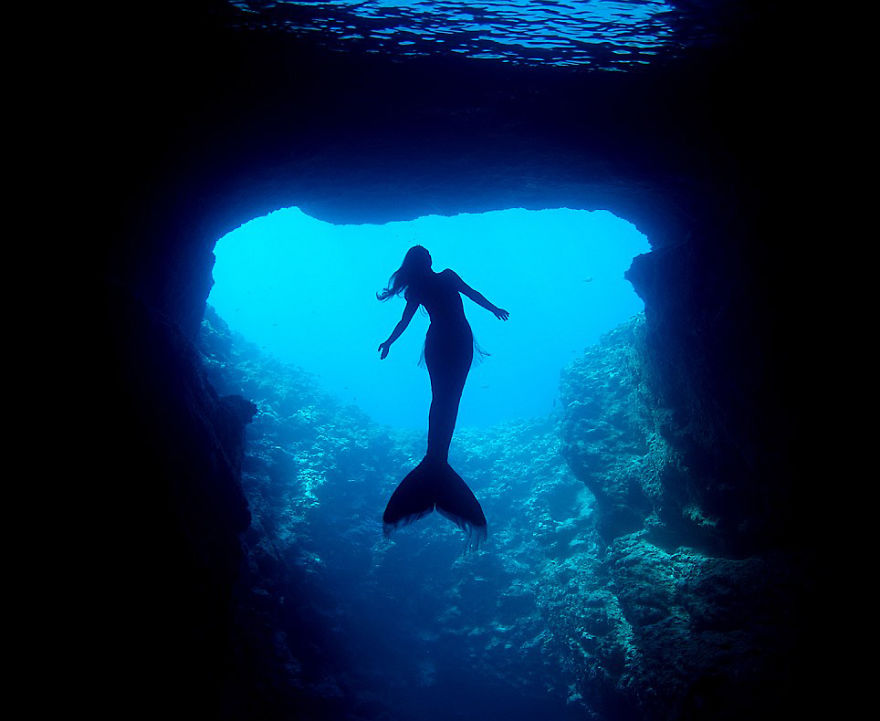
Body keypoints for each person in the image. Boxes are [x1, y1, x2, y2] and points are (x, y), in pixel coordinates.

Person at [377, 245, 509, 547]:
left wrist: (390, 342)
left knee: (441, 400)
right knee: (449, 401)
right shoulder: (446, 277)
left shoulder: (419, 288)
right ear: (427, 261)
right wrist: (493, 309)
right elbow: (473, 295)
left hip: (439, 342)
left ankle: (434, 462)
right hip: (458, 340)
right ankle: (437, 464)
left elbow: (405, 321)